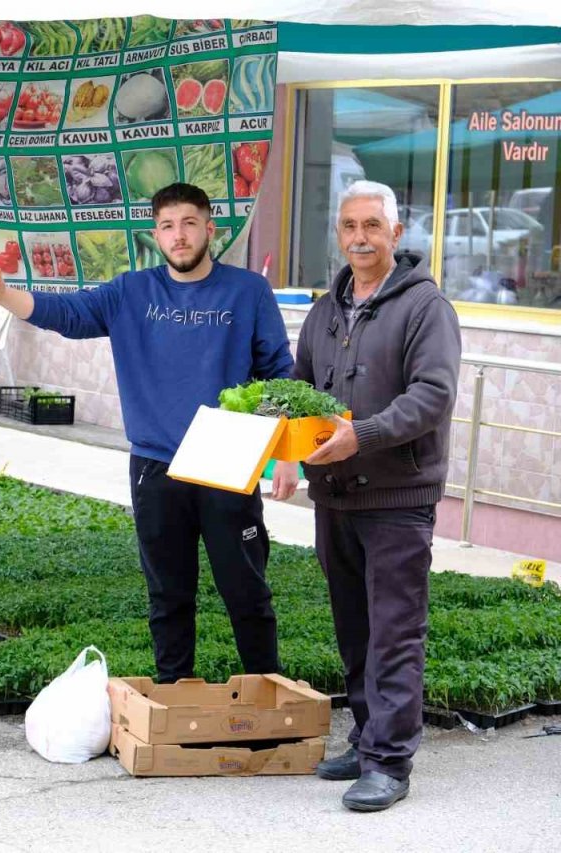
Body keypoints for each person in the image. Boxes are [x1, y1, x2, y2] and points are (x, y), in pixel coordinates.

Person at [0, 182, 292, 685]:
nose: (179, 235)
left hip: (229, 459)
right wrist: (6, 296)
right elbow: (71, 314)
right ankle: (172, 701)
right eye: (167, 226)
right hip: (155, 463)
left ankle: (270, 695)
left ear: (210, 229)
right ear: (156, 235)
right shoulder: (131, 292)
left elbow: (279, 371)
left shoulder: (247, 291)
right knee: (168, 595)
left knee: (246, 589)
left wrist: (288, 455)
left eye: (189, 223)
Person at [273, 180, 460, 812]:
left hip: (398, 495)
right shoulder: (327, 308)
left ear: (395, 234)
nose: (360, 237)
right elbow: (300, 387)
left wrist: (365, 436)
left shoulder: (424, 307)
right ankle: (366, 734)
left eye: (372, 226)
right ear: (340, 233)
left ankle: (389, 762)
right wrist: (284, 451)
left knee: (395, 630)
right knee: (354, 626)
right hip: (335, 494)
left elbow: (433, 396)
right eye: (350, 226)